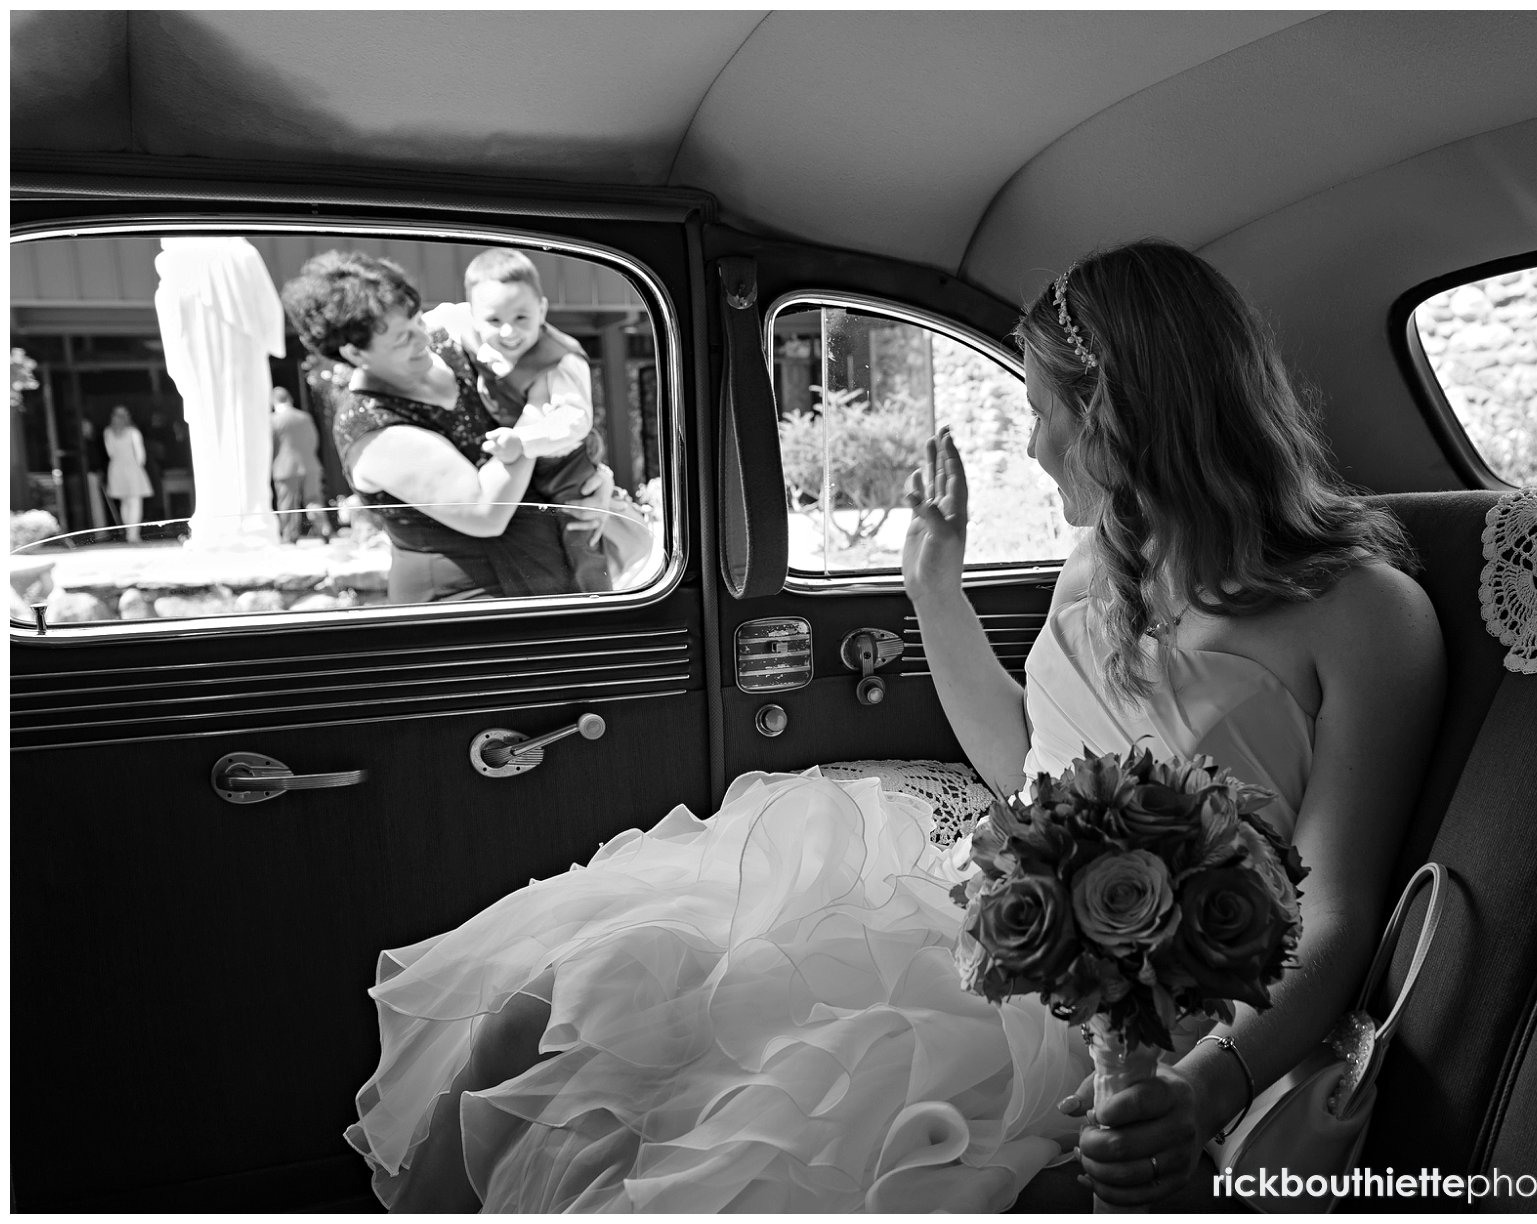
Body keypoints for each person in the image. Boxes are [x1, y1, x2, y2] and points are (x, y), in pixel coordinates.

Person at [342, 239, 1445, 1212]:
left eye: (1042, 415)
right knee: (557, 1003)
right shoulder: (1098, 569)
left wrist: (1204, 1092)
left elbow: (1337, 914)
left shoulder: (1364, 615)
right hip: (975, 919)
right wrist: (932, 592)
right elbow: (1033, 774)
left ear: (1113, 420)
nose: (1033, 448)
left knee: (734, 1130)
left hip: (1150, 1006)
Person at [279, 251, 622, 603]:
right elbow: (487, 512)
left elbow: (551, 379)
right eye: (402, 338)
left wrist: (589, 479)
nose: (423, 337)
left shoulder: (451, 341)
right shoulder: (371, 429)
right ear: (354, 353)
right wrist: (536, 416)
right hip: (466, 603)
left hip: (552, 574)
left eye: (416, 320)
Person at [422, 248, 652, 591]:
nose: (508, 331)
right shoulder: (466, 325)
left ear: (542, 309)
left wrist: (523, 441)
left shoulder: (560, 359)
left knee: (582, 534)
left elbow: (573, 421)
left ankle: (598, 599)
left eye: (521, 318)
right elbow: (437, 317)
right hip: (529, 467)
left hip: (566, 464)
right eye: (494, 320)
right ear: (474, 313)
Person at [269, 386, 332, 543]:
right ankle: (323, 529)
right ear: (289, 398)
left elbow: (270, 446)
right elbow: (314, 440)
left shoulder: (273, 420)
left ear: (273, 402)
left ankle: (290, 536)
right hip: (310, 465)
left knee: (288, 504)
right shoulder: (304, 417)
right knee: (314, 500)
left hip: (285, 468)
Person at [102, 404, 153, 543]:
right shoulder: (133, 432)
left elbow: (110, 453)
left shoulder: (108, 432)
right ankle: (133, 534)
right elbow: (140, 455)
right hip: (132, 467)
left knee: (124, 502)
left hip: (116, 468)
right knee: (134, 501)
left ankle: (129, 532)